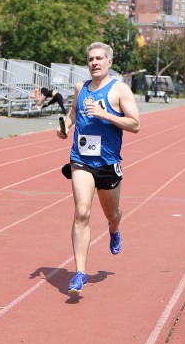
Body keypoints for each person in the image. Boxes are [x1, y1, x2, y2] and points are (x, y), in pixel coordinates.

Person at [58, 42, 141, 294]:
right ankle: (80, 273)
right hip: (81, 159)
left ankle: (114, 230)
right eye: (91, 59)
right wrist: (65, 126)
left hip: (107, 163)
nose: (94, 63)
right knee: (82, 212)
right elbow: (74, 112)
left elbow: (135, 124)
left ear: (109, 62)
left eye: (99, 58)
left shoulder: (120, 89)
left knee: (112, 213)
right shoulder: (80, 87)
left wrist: (106, 115)